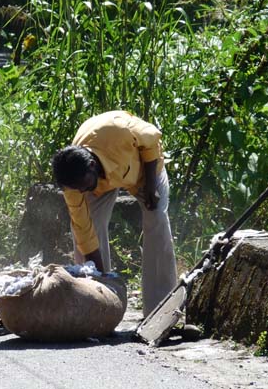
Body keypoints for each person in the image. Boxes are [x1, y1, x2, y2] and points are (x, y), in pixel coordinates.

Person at [51, 110, 177, 317]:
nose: (82, 193)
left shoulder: (118, 131)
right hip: (102, 179)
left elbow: (152, 139)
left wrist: (151, 185)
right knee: (84, 228)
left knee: (157, 219)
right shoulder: (75, 185)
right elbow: (85, 230)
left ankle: (161, 310)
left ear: (91, 166)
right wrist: (102, 277)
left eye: (83, 187)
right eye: (77, 189)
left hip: (145, 169)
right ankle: (94, 304)